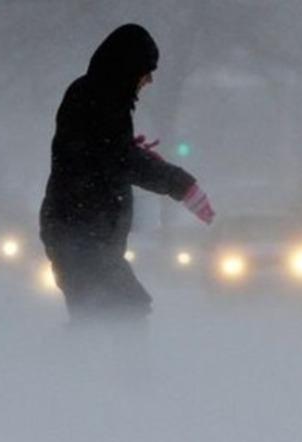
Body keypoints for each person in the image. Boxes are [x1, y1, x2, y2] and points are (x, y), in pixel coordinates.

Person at [39, 24, 214, 321]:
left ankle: (90, 364)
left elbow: (101, 152)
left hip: (82, 234)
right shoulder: (97, 100)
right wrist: (180, 184)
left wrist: (128, 149)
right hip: (80, 235)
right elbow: (117, 159)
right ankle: (100, 366)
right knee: (121, 314)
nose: (149, 79)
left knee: (108, 316)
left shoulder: (95, 99)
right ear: (126, 68)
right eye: (145, 70)